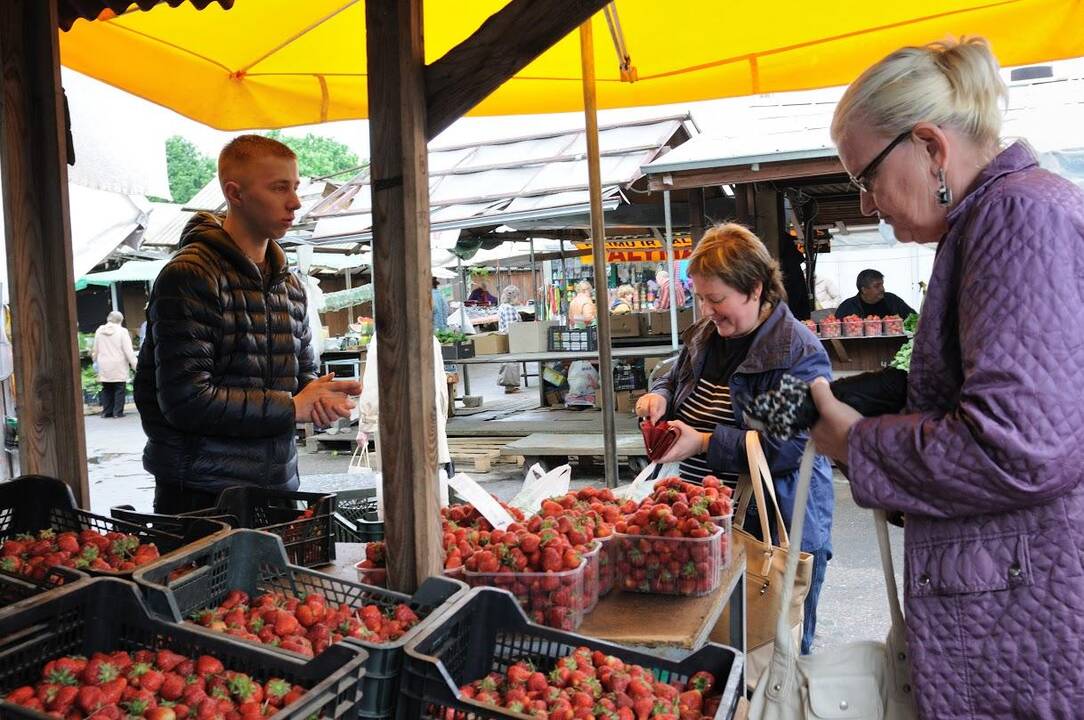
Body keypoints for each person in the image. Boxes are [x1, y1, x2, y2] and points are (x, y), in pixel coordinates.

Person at [809, 37, 1084, 718]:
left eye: (866, 177)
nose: (869, 203)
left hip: (1030, 632)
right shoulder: (1001, 217)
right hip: (1025, 613)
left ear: (930, 146)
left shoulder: (1017, 216)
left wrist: (857, 444)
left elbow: (1016, 446)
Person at [135, 135, 361, 515]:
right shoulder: (189, 275)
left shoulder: (288, 283)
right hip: (203, 494)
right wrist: (291, 408)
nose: (295, 201)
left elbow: (300, 377)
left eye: (295, 187)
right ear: (235, 194)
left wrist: (318, 395)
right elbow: (185, 401)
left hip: (279, 485)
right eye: (279, 188)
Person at [637, 223, 833, 655]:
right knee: (707, 657)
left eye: (717, 298)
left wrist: (704, 444)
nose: (707, 309)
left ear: (755, 288)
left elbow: (784, 448)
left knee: (767, 663)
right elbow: (674, 375)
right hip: (702, 524)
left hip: (766, 529)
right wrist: (660, 396)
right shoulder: (708, 337)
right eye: (702, 298)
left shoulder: (795, 353)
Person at [357, 334, 451, 472]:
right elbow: (442, 386)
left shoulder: (383, 337)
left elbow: (373, 384)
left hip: (396, 421)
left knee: (399, 480)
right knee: (427, 480)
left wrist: (365, 425)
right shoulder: (429, 336)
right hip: (429, 420)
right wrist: (441, 420)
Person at [91, 310, 137, 418]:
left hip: (104, 364)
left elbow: (95, 349)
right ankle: (117, 412)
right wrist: (135, 365)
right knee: (119, 388)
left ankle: (107, 412)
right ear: (120, 320)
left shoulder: (99, 331)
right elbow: (128, 351)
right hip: (118, 364)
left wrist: (95, 360)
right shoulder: (122, 331)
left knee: (106, 388)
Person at [834, 268, 915, 318]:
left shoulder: (892, 300)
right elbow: (834, 328)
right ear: (864, 290)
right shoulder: (848, 306)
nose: (882, 289)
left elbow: (914, 318)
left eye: (882, 284)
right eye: (877, 286)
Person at [496, 285, 522, 394]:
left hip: (506, 337)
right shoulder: (508, 309)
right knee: (511, 361)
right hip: (511, 338)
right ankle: (510, 385)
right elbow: (511, 327)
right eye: (517, 296)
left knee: (508, 361)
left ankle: (510, 384)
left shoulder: (503, 306)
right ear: (513, 297)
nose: (518, 299)